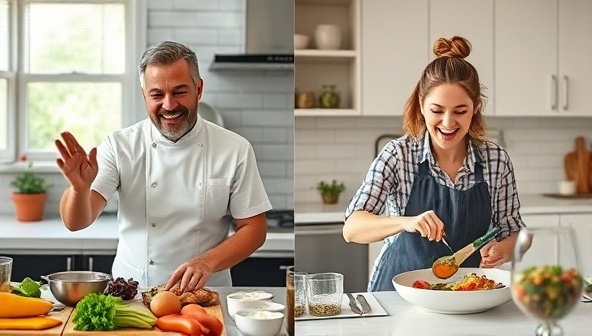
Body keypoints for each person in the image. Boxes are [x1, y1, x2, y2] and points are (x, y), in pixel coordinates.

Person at [55, 41, 272, 292]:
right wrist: (79, 190)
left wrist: (207, 262)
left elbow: (254, 229)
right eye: (157, 95)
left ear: (198, 89)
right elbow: (76, 222)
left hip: (204, 294)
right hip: (132, 294)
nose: (168, 105)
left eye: (179, 92)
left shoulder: (235, 149)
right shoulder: (120, 146)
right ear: (144, 95)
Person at [343, 36, 525, 292]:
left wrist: (503, 250)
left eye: (460, 111)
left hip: (468, 294)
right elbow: (352, 228)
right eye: (437, 110)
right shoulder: (398, 154)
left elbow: (516, 233)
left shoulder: (496, 160)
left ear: (475, 108)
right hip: (397, 296)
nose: (448, 123)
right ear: (422, 106)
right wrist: (406, 222)